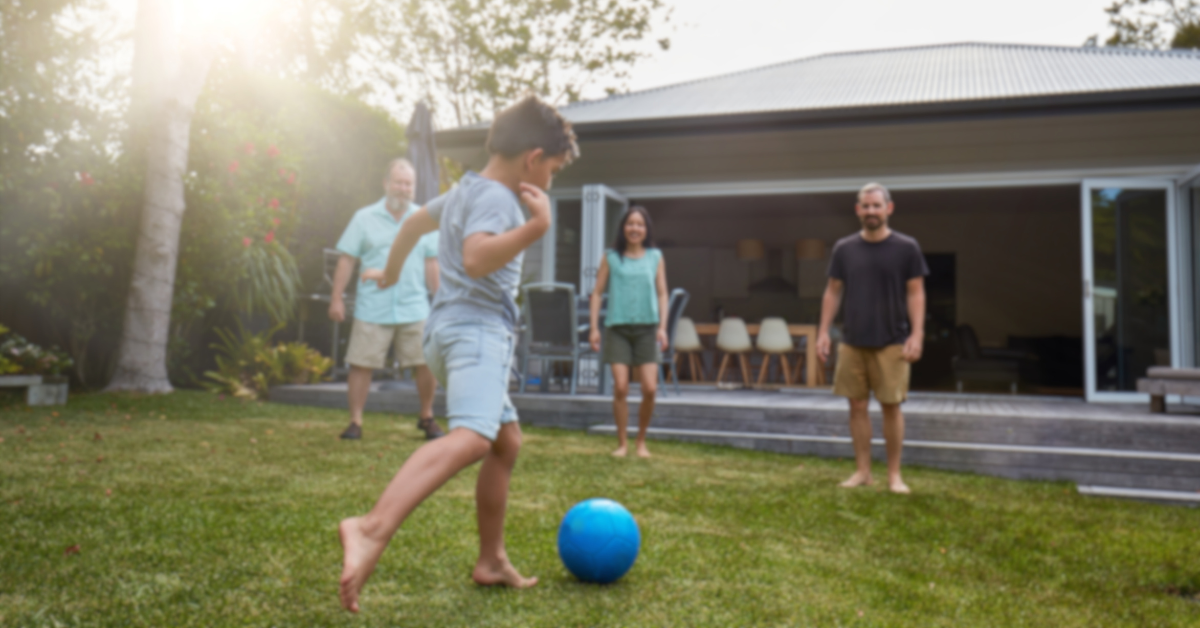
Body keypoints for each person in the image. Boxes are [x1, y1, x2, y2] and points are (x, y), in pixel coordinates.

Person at [338, 96, 578, 613]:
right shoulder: (499, 197)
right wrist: (537, 228)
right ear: (533, 158)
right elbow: (474, 259)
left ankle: (491, 559)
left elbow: (409, 227)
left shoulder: (466, 188)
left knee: (505, 442)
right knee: (473, 437)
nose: (550, 181)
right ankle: (370, 527)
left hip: (444, 331)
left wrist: (391, 270)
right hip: (476, 334)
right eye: (553, 170)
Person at [816, 182, 928, 494]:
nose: (871, 211)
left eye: (877, 206)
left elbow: (916, 292)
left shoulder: (907, 248)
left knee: (891, 407)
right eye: (866, 206)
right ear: (858, 210)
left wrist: (917, 334)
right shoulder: (844, 248)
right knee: (856, 406)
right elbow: (833, 291)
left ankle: (894, 476)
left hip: (892, 340)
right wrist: (823, 331)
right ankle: (863, 472)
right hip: (852, 340)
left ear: (888, 208)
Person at [329, 158, 444, 441]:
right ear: (386, 184)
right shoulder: (364, 217)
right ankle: (355, 422)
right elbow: (346, 260)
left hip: (414, 304)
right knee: (361, 363)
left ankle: (427, 417)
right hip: (373, 306)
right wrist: (337, 298)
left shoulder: (425, 219)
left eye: (408, 184)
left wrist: (439, 300)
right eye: (398, 182)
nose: (403, 188)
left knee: (426, 362)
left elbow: (432, 263)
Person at [588, 206, 669, 458]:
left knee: (650, 389)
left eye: (640, 225)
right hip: (617, 329)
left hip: (647, 329)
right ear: (623, 228)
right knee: (621, 387)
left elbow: (662, 292)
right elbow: (597, 293)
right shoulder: (611, 257)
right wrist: (593, 328)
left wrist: (663, 328)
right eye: (630, 224)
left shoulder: (655, 256)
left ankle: (641, 441)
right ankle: (622, 443)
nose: (635, 228)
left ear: (646, 230)